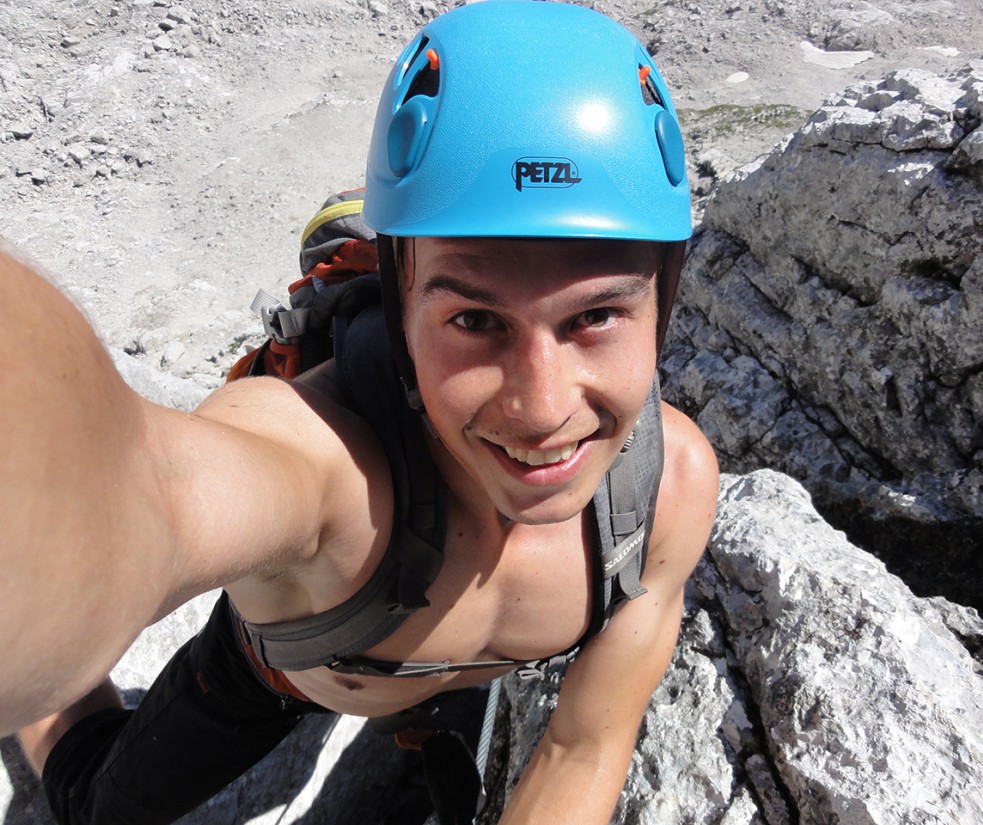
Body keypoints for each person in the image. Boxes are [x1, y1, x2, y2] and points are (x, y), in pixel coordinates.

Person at [4, 1, 719, 823]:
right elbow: (141, 489)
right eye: (475, 320)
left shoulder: (667, 495)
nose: (541, 408)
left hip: (393, 661)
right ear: (403, 300)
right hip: (279, 675)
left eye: (595, 317)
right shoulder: (326, 471)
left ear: (664, 308)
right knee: (93, 801)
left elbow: (582, 746)